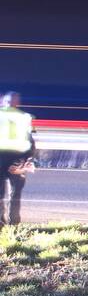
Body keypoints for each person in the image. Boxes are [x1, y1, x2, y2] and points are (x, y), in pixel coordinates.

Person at [0, 92, 35, 226]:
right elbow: (31, 140)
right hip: (17, 158)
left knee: (1, 193)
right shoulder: (25, 117)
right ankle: (13, 222)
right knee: (15, 192)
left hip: (2, 157)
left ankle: (1, 223)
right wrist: (30, 158)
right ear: (17, 103)